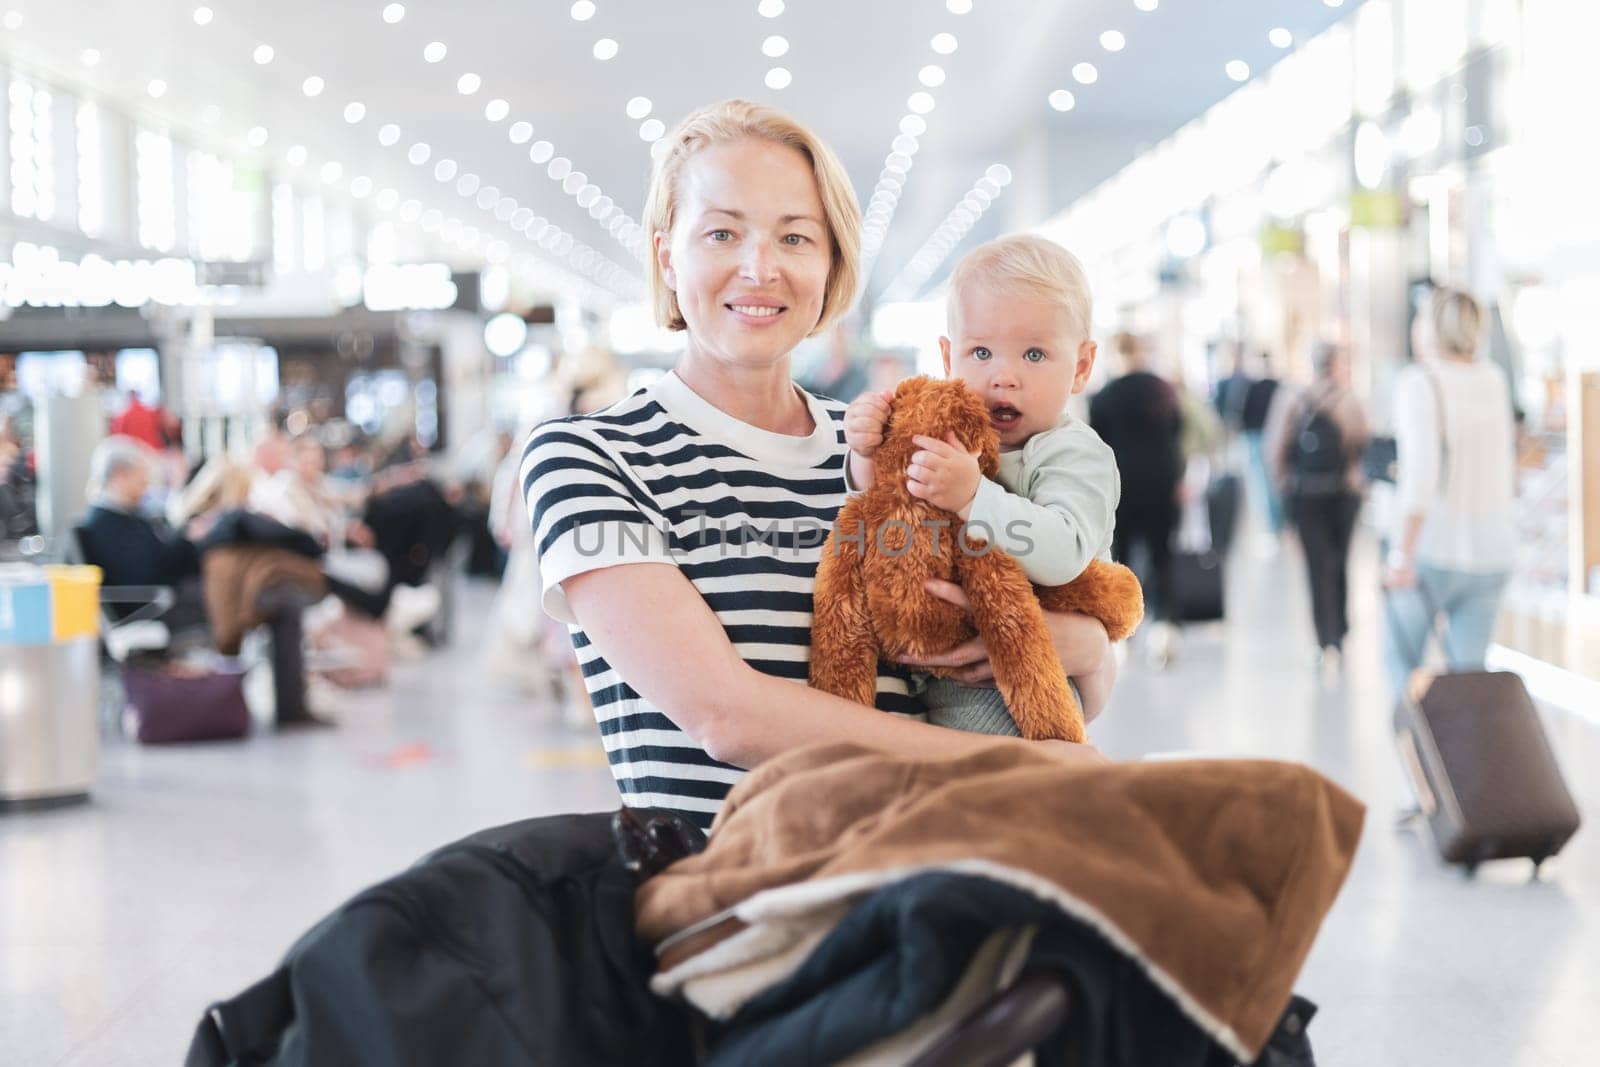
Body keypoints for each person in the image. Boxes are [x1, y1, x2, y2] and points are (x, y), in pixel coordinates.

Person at [522, 99, 1114, 830]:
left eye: (795, 236)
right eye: (721, 232)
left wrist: (1087, 647)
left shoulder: (895, 445)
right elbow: (725, 714)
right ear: (667, 255)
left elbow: (1049, 629)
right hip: (734, 906)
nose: (760, 267)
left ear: (831, 261)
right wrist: (1002, 765)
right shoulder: (590, 456)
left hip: (940, 876)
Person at [842, 234, 1118, 734]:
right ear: (949, 358)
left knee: (1002, 793)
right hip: (938, 675)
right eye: (982, 351)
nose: (1003, 376)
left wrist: (973, 497)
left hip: (1015, 692)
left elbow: (1064, 551)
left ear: (1080, 367)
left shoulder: (1073, 453)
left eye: (1034, 355)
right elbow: (884, 497)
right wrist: (865, 450)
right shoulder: (949, 430)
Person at [1382, 287, 1516, 701]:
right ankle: (1464, 765)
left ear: (1432, 327)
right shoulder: (1493, 379)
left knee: (1401, 671)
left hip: (1431, 552)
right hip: (1492, 554)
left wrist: (1402, 553)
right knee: (1469, 685)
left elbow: (1422, 476)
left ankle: (1418, 763)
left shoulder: (1419, 382)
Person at [1267, 344, 1370, 670]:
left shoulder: (1293, 399)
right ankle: (1339, 631)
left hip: (1306, 495)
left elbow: (1275, 450)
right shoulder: (1349, 399)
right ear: (1335, 364)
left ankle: (1323, 639)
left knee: (1316, 565)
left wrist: (1285, 487)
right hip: (1342, 494)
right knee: (1340, 560)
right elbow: (1362, 444)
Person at [1090, 332, 1184, 664]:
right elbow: (1176, 434)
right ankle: (1165, 629)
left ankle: (1124, 635)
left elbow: (1096, 448)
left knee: (1123, 559)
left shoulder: (1103, 396)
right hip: (1161, 483)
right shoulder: (1161, 389)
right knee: (1163, 557)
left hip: (1122, 488)